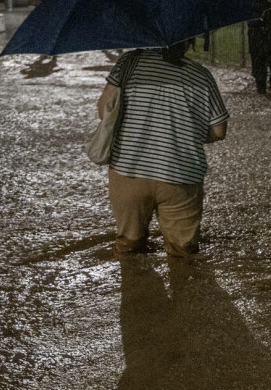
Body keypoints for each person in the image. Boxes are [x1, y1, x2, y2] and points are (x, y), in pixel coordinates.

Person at [96, 40, 229, 257]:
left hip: (129, 172)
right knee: (183, 255)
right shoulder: (201, 75)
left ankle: (134, 287)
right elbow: (219, 130)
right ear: (188, 41)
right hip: (181, 176)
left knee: (128, 249)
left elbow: (104, 111)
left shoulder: (128, 63)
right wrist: (185, 132)